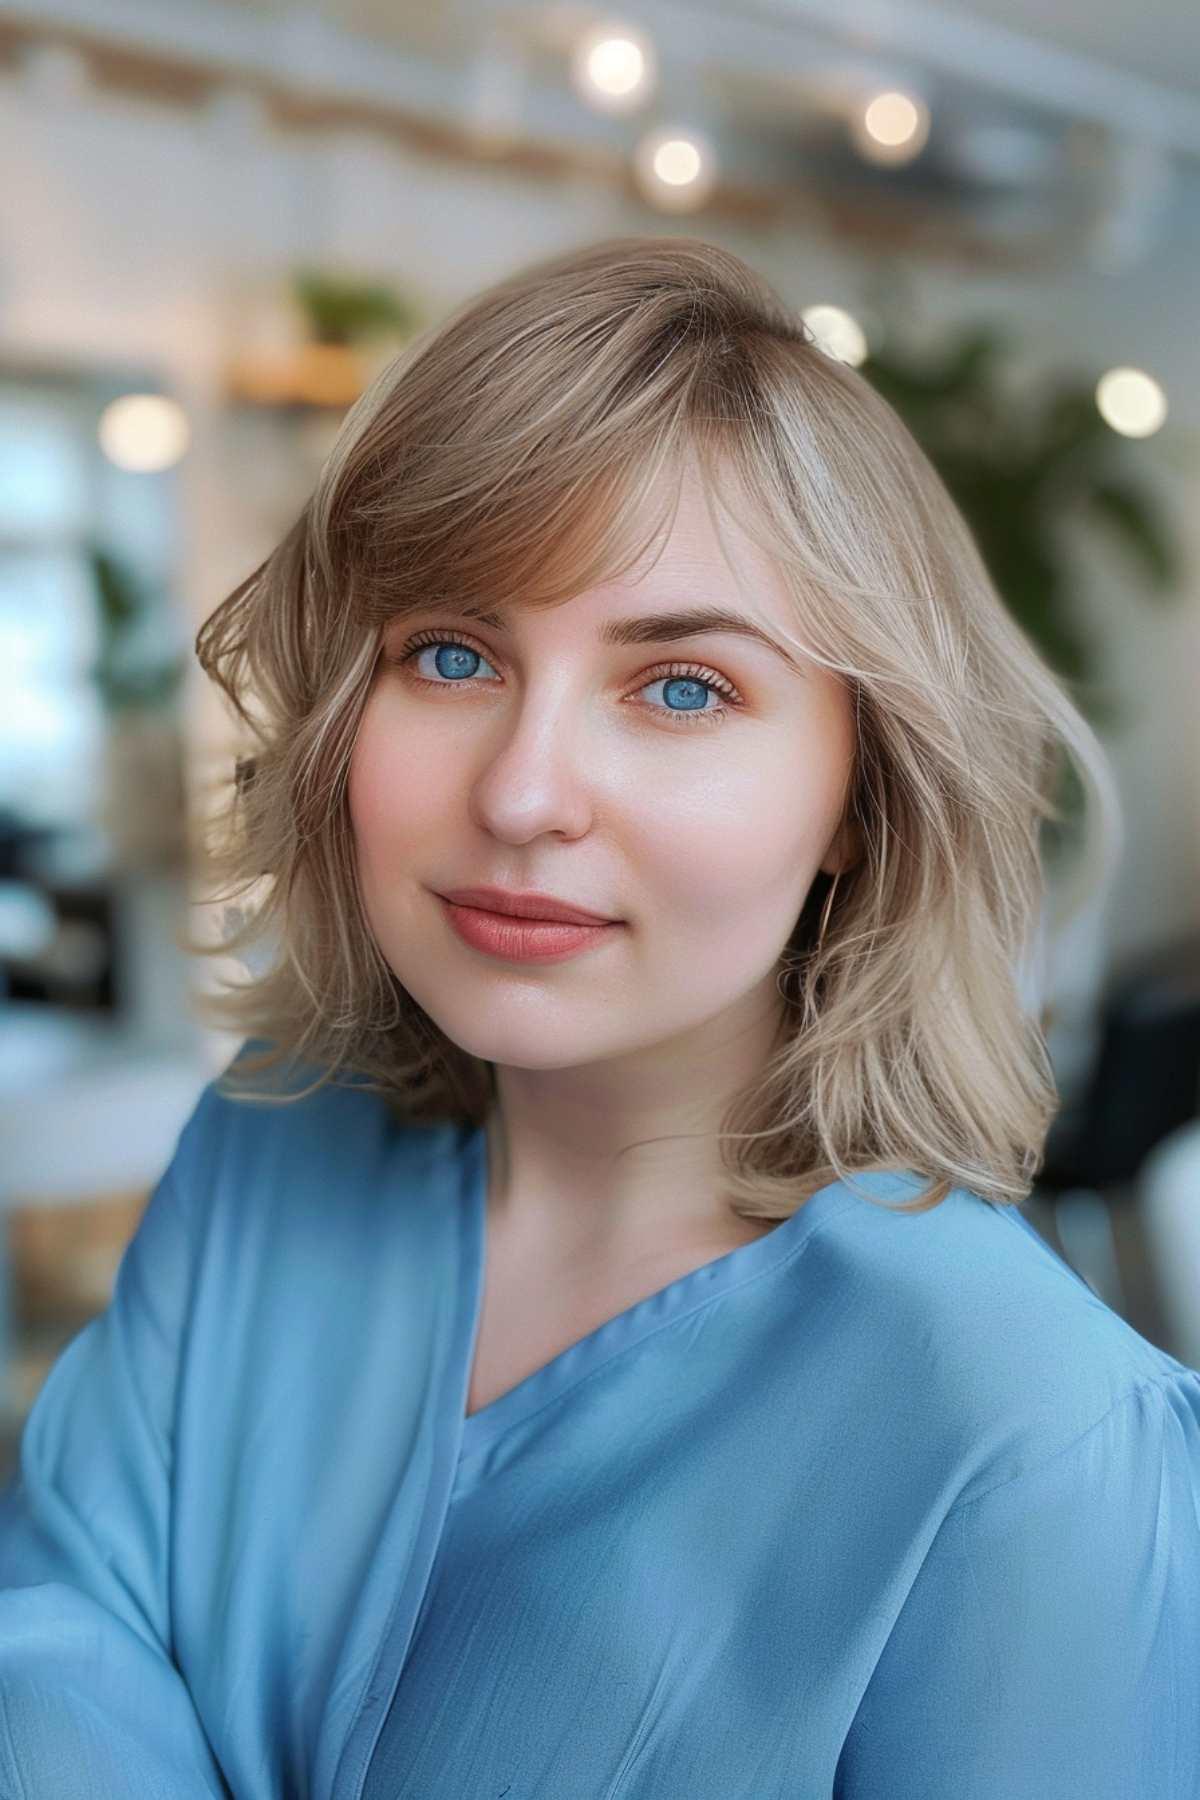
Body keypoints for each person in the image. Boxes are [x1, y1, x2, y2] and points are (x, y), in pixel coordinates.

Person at [1, 236, 1197, 1799]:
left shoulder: (1032, 1440)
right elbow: (59, 1641)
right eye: (450, 655)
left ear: (859, 797)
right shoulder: (278, 1130)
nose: (522, 793)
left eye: (682, 686)